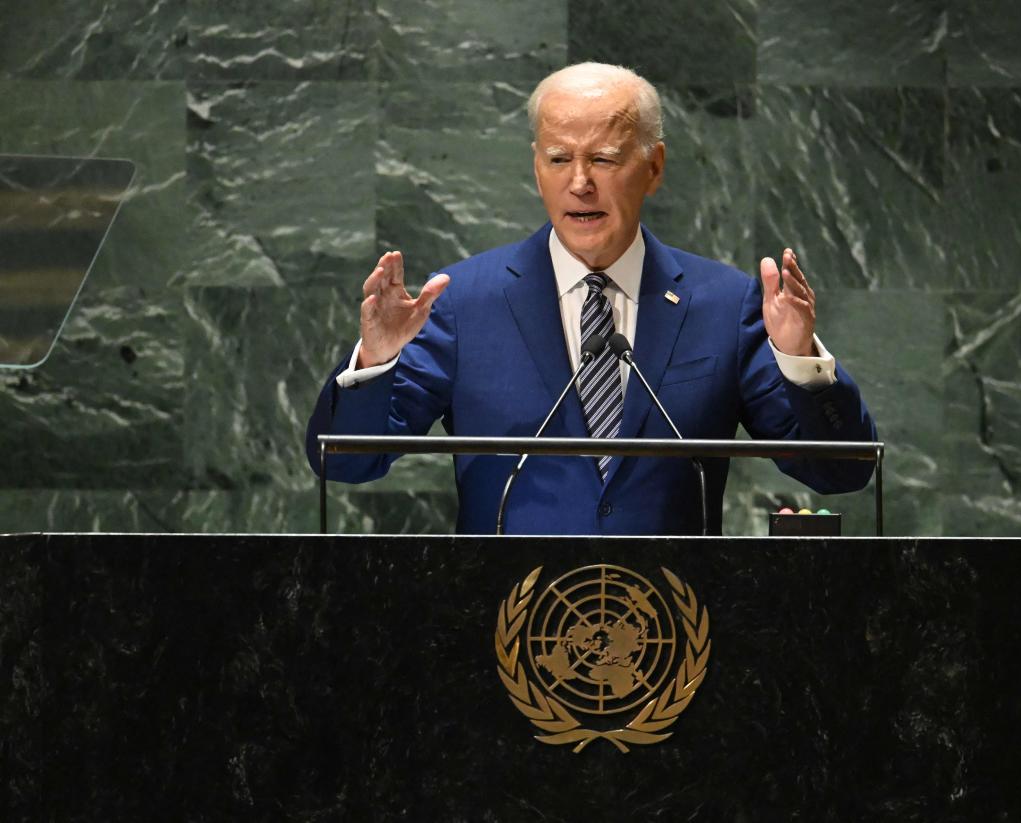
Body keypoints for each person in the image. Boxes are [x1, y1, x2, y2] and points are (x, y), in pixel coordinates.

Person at [306, 62, 876, 535]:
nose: (580, 182)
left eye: (603, 159)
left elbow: (837, 470)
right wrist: (375, 360)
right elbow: (350, 461)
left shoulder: (724, 305)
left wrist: (800, 361)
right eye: (558, 159)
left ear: (653, 167)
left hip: (671, 636)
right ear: (537, 167)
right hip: (506, 626)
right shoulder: (464, 302)